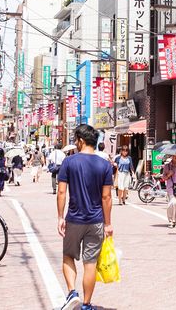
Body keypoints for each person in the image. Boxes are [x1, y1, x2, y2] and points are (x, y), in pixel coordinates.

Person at [57, 125, 113, 310]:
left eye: (75, 139)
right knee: (90, 264)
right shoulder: (105, 165)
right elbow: (106, 197)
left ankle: (72, 292)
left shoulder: (69, 162)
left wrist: (60, 217)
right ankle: (86, 305)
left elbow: (62, 192)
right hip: (96, 221)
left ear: (81, 140)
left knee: (68, 256)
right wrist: (108, 223)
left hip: (74, 218)